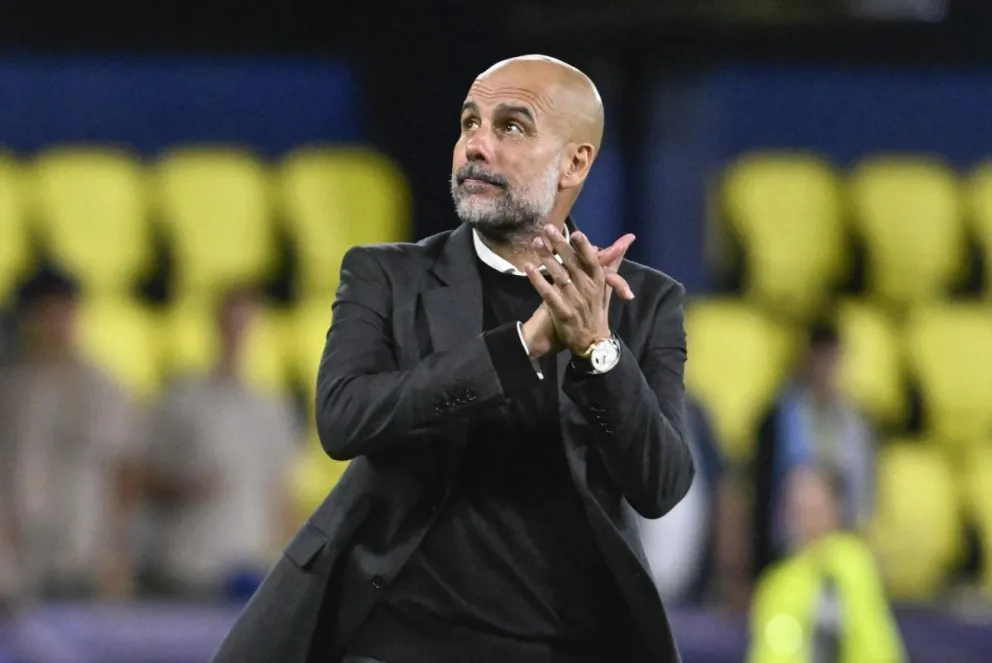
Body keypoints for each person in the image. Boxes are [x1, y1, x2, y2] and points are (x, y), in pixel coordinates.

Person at [212, 54, 694, 663]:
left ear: (575, 162)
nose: (476, 145)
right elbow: (343, 419)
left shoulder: (641, 303)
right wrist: (520, 347)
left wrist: (598, 350)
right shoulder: (387, 276)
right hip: (395, 645)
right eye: (469, 123)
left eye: (510, 126)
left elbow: (660, 485)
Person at [139, 287, 300, 601]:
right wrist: (184, 487)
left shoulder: (273, 409)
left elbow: (282, 494)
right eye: (230, 323)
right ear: (215, 325)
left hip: (249, 566)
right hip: (190, 565)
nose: (236, 334)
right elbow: (142, 478)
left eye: (244, 324)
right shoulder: (180, 399)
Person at [0, 266, 137, 604]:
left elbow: (123, 474)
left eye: (63, 312)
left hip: (82, 550)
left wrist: (117, 549)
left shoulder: (102, 389)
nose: (55, 323)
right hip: (19, 556)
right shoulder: (12, 388)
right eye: (45, 312)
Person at [752, 321, 876, 578]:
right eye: (822, 360)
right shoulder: (778, 419)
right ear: (808, 360)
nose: (827, 370)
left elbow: (863, 488)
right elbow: (763, 490)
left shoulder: (856, 421)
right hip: (788, 549)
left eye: (833, 360)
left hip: (841, 545)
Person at [747, 466, 905, 663]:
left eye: (814, 506)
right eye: (798, 507)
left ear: (834, 507)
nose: (806, 517)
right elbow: (766, 653)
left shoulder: (853, 562)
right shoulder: (776, 583)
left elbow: (875, 645)